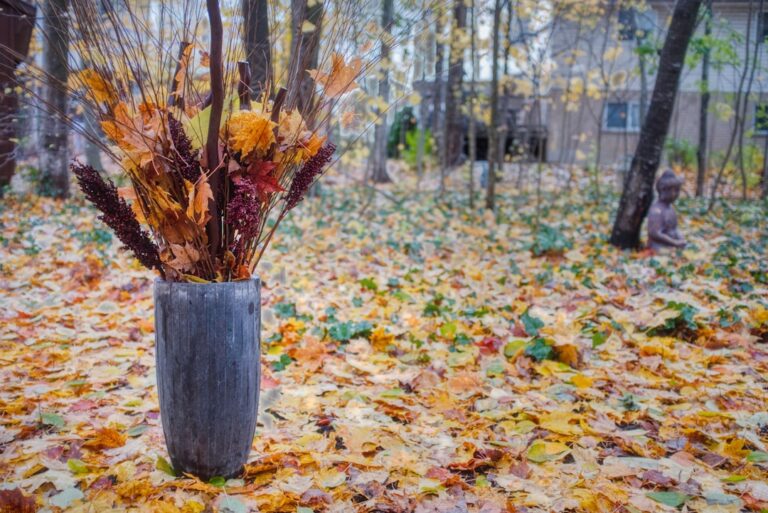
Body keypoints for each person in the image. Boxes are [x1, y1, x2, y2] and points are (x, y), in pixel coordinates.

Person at [647, 169, 686, 250]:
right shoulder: (657, 211)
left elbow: (674, 228)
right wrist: (674, 242)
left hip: (673, 245)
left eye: (677, 190)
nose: (676, 194)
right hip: (660, 247)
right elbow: (655, 233)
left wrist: (680, 237)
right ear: (664, 190)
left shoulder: (670, 208)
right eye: (674, 190)